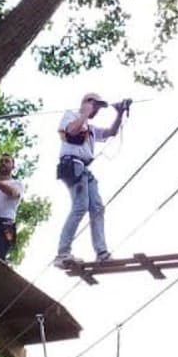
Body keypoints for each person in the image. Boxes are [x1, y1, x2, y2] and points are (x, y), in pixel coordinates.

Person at [53, 92, 130, 268]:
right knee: (80, 206)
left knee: (97, 207)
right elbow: (71, 131)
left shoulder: (91, 128)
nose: (97, 110)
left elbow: (111, 132)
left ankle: (102, 253)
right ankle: (62, 253)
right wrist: (85, 113)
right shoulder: (70, 116)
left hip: (84, 169)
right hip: (71, 165)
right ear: (87, 103)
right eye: (96, 106)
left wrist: (119, 113)